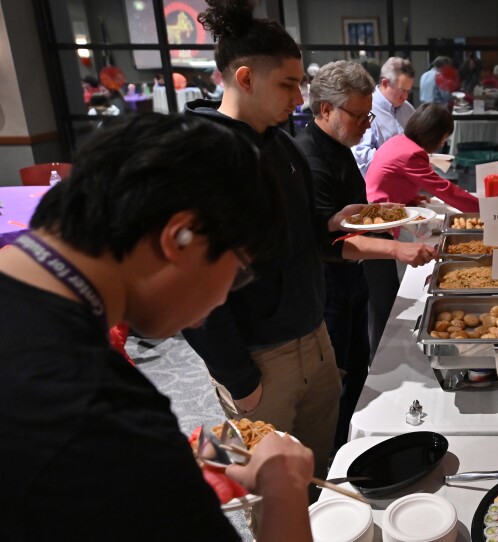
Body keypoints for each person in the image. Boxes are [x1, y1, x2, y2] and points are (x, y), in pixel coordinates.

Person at [0, 113, 315, 541]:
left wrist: (178, 471)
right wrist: (285, 487)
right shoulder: (100, 414)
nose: (223, 299)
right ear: (179, 236)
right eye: (238, 272)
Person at [181, 0, 356, 501]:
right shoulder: (202, 156)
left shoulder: (281, 144)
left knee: (319, 473)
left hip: (313, 337)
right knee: (270, 491)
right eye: (288, 84)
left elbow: (297, 237)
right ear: (245, 78)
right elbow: (192, 287)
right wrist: (238, 378)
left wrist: (331, 224)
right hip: (260, 359)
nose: (300, 98)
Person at [293, 60, 437, 449]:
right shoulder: (310, 158)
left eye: (368, 115)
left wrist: (386, 211)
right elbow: (330, 241)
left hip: (352, 281)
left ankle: (353, 444)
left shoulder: (340, 147)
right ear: (326, 109)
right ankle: (338, 456)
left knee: (359, 369)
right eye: (358, 115)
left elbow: (351, 216)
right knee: (336, 383)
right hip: (327, 290)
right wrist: (397, 248)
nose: (365, 124)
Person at [366, 102, 479, 213]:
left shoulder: (398, 140)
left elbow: (392, 183)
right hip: (382, 215)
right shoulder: (412, 154)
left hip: (375, 206)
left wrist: (411, 198)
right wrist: (482, 208)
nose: (442, 144)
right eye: (444, 138)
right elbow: (443, 188)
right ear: (433, 135)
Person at [352, 56, 416, 175]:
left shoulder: (409, 109)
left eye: (408, 91)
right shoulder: (366, 109)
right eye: (401, 90)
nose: (405, 96)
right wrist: (398, 159)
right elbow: (361, 156)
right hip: (378, 181)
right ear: (385, 83)